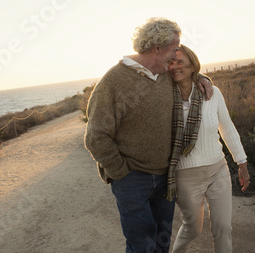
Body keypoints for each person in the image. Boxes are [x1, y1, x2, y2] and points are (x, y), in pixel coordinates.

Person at [84, 17, 212, 253]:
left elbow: (186, 76)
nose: (176, 55)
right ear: (157, 48)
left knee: (161, 243)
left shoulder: (165, 75)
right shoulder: (113, 81)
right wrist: (121, 173)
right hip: (132, 180)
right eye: (174, 48)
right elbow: (96, 136)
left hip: (165, 178)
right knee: (141, 246)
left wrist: (201, 78)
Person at [166, 45, 250, 253]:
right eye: (171, 62)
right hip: (186, 176)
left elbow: (227, 128)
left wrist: (241, 163)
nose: (175, 66)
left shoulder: (212, 93)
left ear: (193, 65)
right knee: (193, 229)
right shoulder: (164, 97)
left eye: (180, 62)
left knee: (223, 227)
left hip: (217, 170)